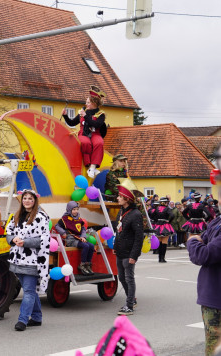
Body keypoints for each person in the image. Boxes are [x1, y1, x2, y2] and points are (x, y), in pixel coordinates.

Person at [187, 142, 221, 356]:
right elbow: (206, 236)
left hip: (216, 299)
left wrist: (192, 240)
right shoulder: (218, 220)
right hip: (212, 297)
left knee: (213, 348)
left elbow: (203, 253)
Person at [6, 189, 50, 331]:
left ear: (35, 200)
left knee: (29, 291)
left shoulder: (41, 217)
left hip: (33, 260)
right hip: (17, 260)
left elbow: (44, 240)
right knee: (29, 289)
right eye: (25, 198)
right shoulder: (17, 215)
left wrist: (25, 242)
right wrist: (13, 239)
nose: (27, 201)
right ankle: (37, 317)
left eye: (30, 198)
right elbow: (9, 232)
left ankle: (22, 320)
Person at [62, 86, 107, 178]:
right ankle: (88, 165)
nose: (86, 104)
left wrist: (86, 116)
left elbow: (96, 124)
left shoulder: (101, 114)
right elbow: (72, 123)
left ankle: (93, 166)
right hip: (83, 133)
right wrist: (65, 116)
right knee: (85, 142)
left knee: (99, 142)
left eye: (88, 102)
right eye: (86, 102)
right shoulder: (81, 112)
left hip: (96, 133)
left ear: (94, 103)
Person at [113, 184, 144, 316]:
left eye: (120, 196)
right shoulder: (122, 211)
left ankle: (129, 305)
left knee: (129, 278)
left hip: (129, 252)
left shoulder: (136, 214)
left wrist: (134, 255)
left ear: (126, 199)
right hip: (120, 251)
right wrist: (115, 247)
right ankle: (132, 299)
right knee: (122, 278)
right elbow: (118, 232)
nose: (117, 198)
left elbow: (139, 237)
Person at [55, 201, 94, 275]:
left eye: (77, 209)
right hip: (71, 239)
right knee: (85, 246)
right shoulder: (65, 218)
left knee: (91, 246)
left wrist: (83, 236)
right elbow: (57, 226)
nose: (76, 211)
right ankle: (82, 265)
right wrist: (63, 233)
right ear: (69, 210)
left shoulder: (78, 218)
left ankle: (87, 264)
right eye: (74, 209)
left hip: (79, 238)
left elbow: (82, 229)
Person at [150, 197, 174, 263]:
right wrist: (169, 221)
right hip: (165, 225)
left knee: (160, 242)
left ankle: (159, 258)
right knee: (164, 242)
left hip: (158, 225)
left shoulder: (157, 208)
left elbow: (151, 215)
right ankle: (162, 258)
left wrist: (156, 220)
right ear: (165, 202)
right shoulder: (167, 209)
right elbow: (172, 215)